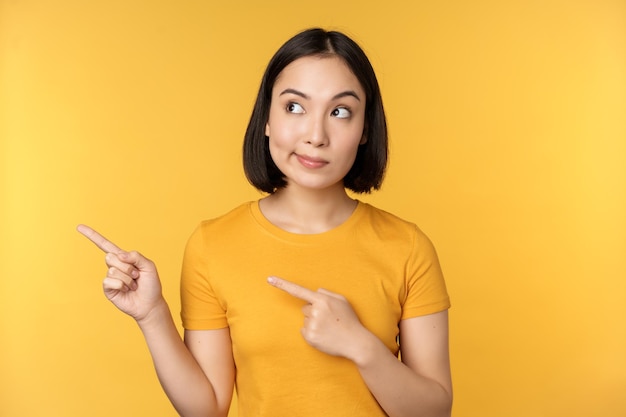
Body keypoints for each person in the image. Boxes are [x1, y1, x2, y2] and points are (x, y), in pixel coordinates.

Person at [78, 28, 452, 417]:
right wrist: (152, 315)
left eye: (340, 111)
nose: (315, 135)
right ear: (268, 119)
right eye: (294, 107)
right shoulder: (213, 244)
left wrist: (361, 346)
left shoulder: (408, 247)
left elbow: (434, 412)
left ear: (364, 130)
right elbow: (207, 409)